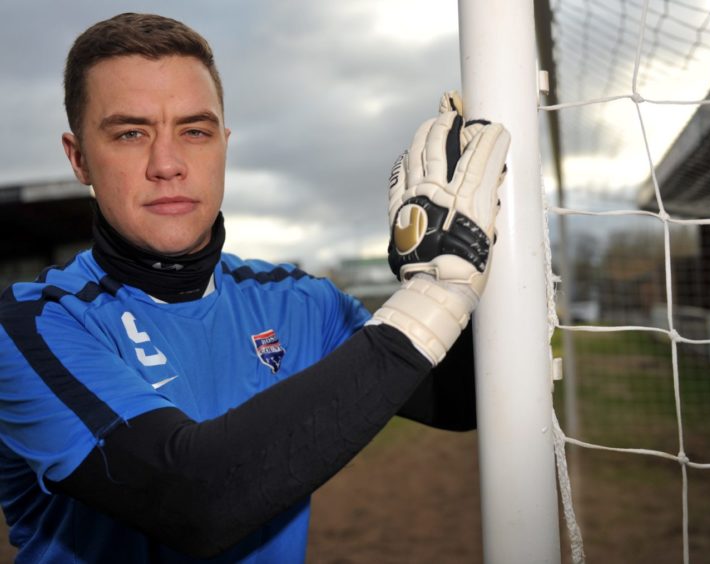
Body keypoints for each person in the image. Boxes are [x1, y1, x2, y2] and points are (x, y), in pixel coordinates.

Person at [0, 12, 510, 564]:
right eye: (130, 133)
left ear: (224, 142)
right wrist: (435, 295)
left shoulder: (298, 301)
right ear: (79, 159)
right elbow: (196, 500)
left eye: (194, 131)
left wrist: (484, 246)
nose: (167, 164)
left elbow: (458, 401)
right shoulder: (33, 327)